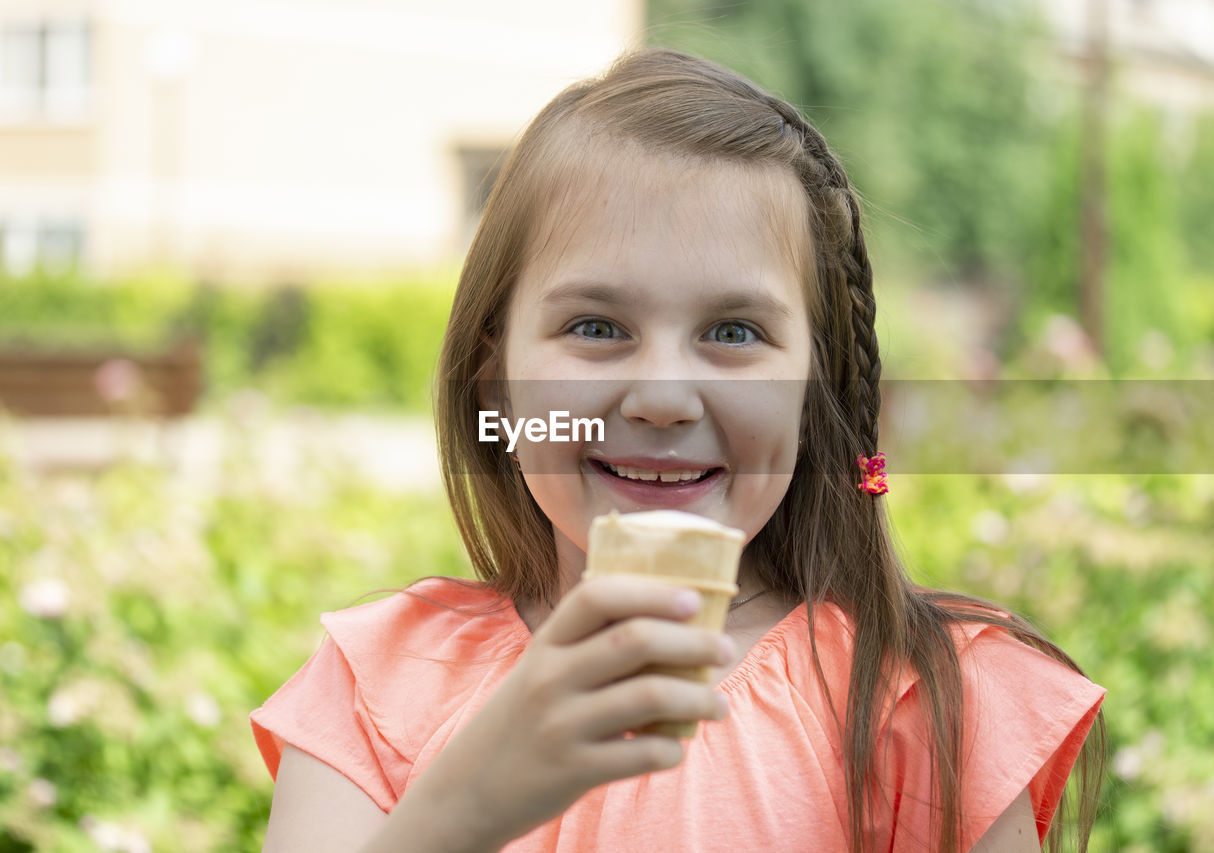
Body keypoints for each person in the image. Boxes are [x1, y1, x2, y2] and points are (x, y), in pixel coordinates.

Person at [250, 48, 1106, 853]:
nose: (662, 397)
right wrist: (459, 812)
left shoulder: (933, 701)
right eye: (595, 327)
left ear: (815, 393)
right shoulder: (375, 685)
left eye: (733, 331)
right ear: (495, 381)